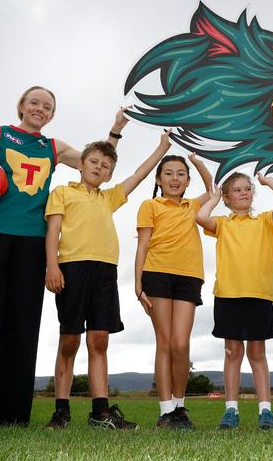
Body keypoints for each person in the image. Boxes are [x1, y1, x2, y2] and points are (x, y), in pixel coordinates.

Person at [0, 87, 126, 432]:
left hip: (32, 242)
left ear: (51, 115)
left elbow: (96, 161)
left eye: (47, 106)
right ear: (21, 106)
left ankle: (8, 416)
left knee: (20, 327)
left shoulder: (53, 147)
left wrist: (116, 129)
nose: (40, 109)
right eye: (34, 102)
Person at [43, 129, 172, 430]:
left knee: (99, 340)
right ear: (81, 164)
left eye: (106, 166)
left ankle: (100, 413)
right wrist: (52, 266)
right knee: (70, 340)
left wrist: (161, 148)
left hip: (104, 272)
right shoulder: (62, 192)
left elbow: (140, 174)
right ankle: (61, 411)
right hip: (71, 269)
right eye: (94, 162)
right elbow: (53, 232)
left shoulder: (110, 197)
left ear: (110, 174)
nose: (99, 167)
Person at [196, 172, 273, 430]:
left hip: (259, 295)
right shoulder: (222, 224)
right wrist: (215, 197)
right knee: (232, 352)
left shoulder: (264, 221)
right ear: (227, 199)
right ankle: (231, 411)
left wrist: (268, 181)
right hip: (228, 295)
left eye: (247, 189)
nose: (243, 193)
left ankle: (265, 412)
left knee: (257, 353)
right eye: (236, 190)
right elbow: (200, 217)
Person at [135, 153, 212, 429]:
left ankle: (179, 407)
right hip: (156, 275)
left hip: (189, 277)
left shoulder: (193, 205)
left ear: (188, 180)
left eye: (181, 173)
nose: (175, 178)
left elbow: (212, 191)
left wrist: (197, 160)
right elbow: (142, 245)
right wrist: (137, 283)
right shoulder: (149, 205)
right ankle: (165, 411)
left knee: (181, 344)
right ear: (159, 179)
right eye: (168, 173)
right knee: (165, 342)